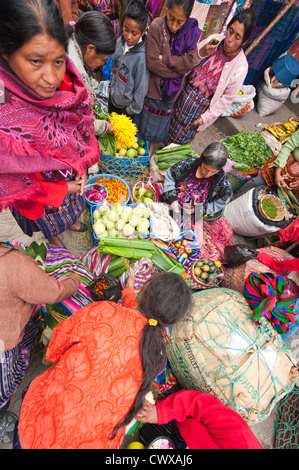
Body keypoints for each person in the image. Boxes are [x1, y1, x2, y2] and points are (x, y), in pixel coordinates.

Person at [16, 271, 193, 449]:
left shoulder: (103, 311)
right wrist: (128, 295)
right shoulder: (156, 354)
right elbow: (146, 324)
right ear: (171, 323)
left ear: (146, 290)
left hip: (39, 424)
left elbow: (55, 346)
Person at [0, 0, 100, 248]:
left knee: (71, 209)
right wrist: (61, 187)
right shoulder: (5, 111)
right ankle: (53, 236)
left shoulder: (66, 74)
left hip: (72, 175)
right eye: (35, 61)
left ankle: (70, 223)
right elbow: (14, 178)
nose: (51, 78)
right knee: (48, 221)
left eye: (57, 60)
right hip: (43, 191)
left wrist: (81, 161)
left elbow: (80, 122)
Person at [0, 243, 81, 441]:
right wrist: (75, 279)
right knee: (4, 385)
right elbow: (54, 292)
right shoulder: (12, 265)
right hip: (3, 344)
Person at [165, 8, 257, 146]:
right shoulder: (215, 40)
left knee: (175, 145)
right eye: (230, 31)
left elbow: (226, 99)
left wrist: (204, 118)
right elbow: (192, 57)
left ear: (244, 41)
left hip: (198, 111)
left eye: (237, 37)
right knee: (165, 128)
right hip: (183, 94)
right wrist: (203, 51)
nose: (230, 39)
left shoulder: (240, 66)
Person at [134, 0, 201, 155]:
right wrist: (179, 71)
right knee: (143, 126)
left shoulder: (191, 32)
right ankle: (140, 154)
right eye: (171, 18)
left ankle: (148, 154)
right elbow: (152, 63)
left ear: (186, 19)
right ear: (167, 9)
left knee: (157, 130)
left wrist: (165, 59)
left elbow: (190, 61)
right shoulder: (157, 26)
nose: (173, 25)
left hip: (172, 93)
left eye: (180, 22)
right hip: (153, 88)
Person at [136, 389, 263, 449]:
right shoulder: (242, 442)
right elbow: (203, 404)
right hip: (180, 418)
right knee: (141, 417)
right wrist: (162, 412)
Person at [66, 10, 116, 134]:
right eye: (103, 60)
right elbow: (76, 120)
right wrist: (104, 127)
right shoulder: (76, 72)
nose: (103, 64)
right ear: (91, 49)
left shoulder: (69, 36)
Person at [108, 0, 150, 118]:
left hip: (125, 110)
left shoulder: (141, 58)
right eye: (126, 29)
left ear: (142, 32)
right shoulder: (119, 43)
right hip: (112, 100)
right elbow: (113, 69)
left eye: (134, 33)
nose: (128, 36)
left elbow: (141, 88)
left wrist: (130, 110)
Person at [262, 128, 299, 197]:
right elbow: (288, 147)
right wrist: (277, 173)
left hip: (295, 181)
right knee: (257, 182)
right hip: (285, 163)